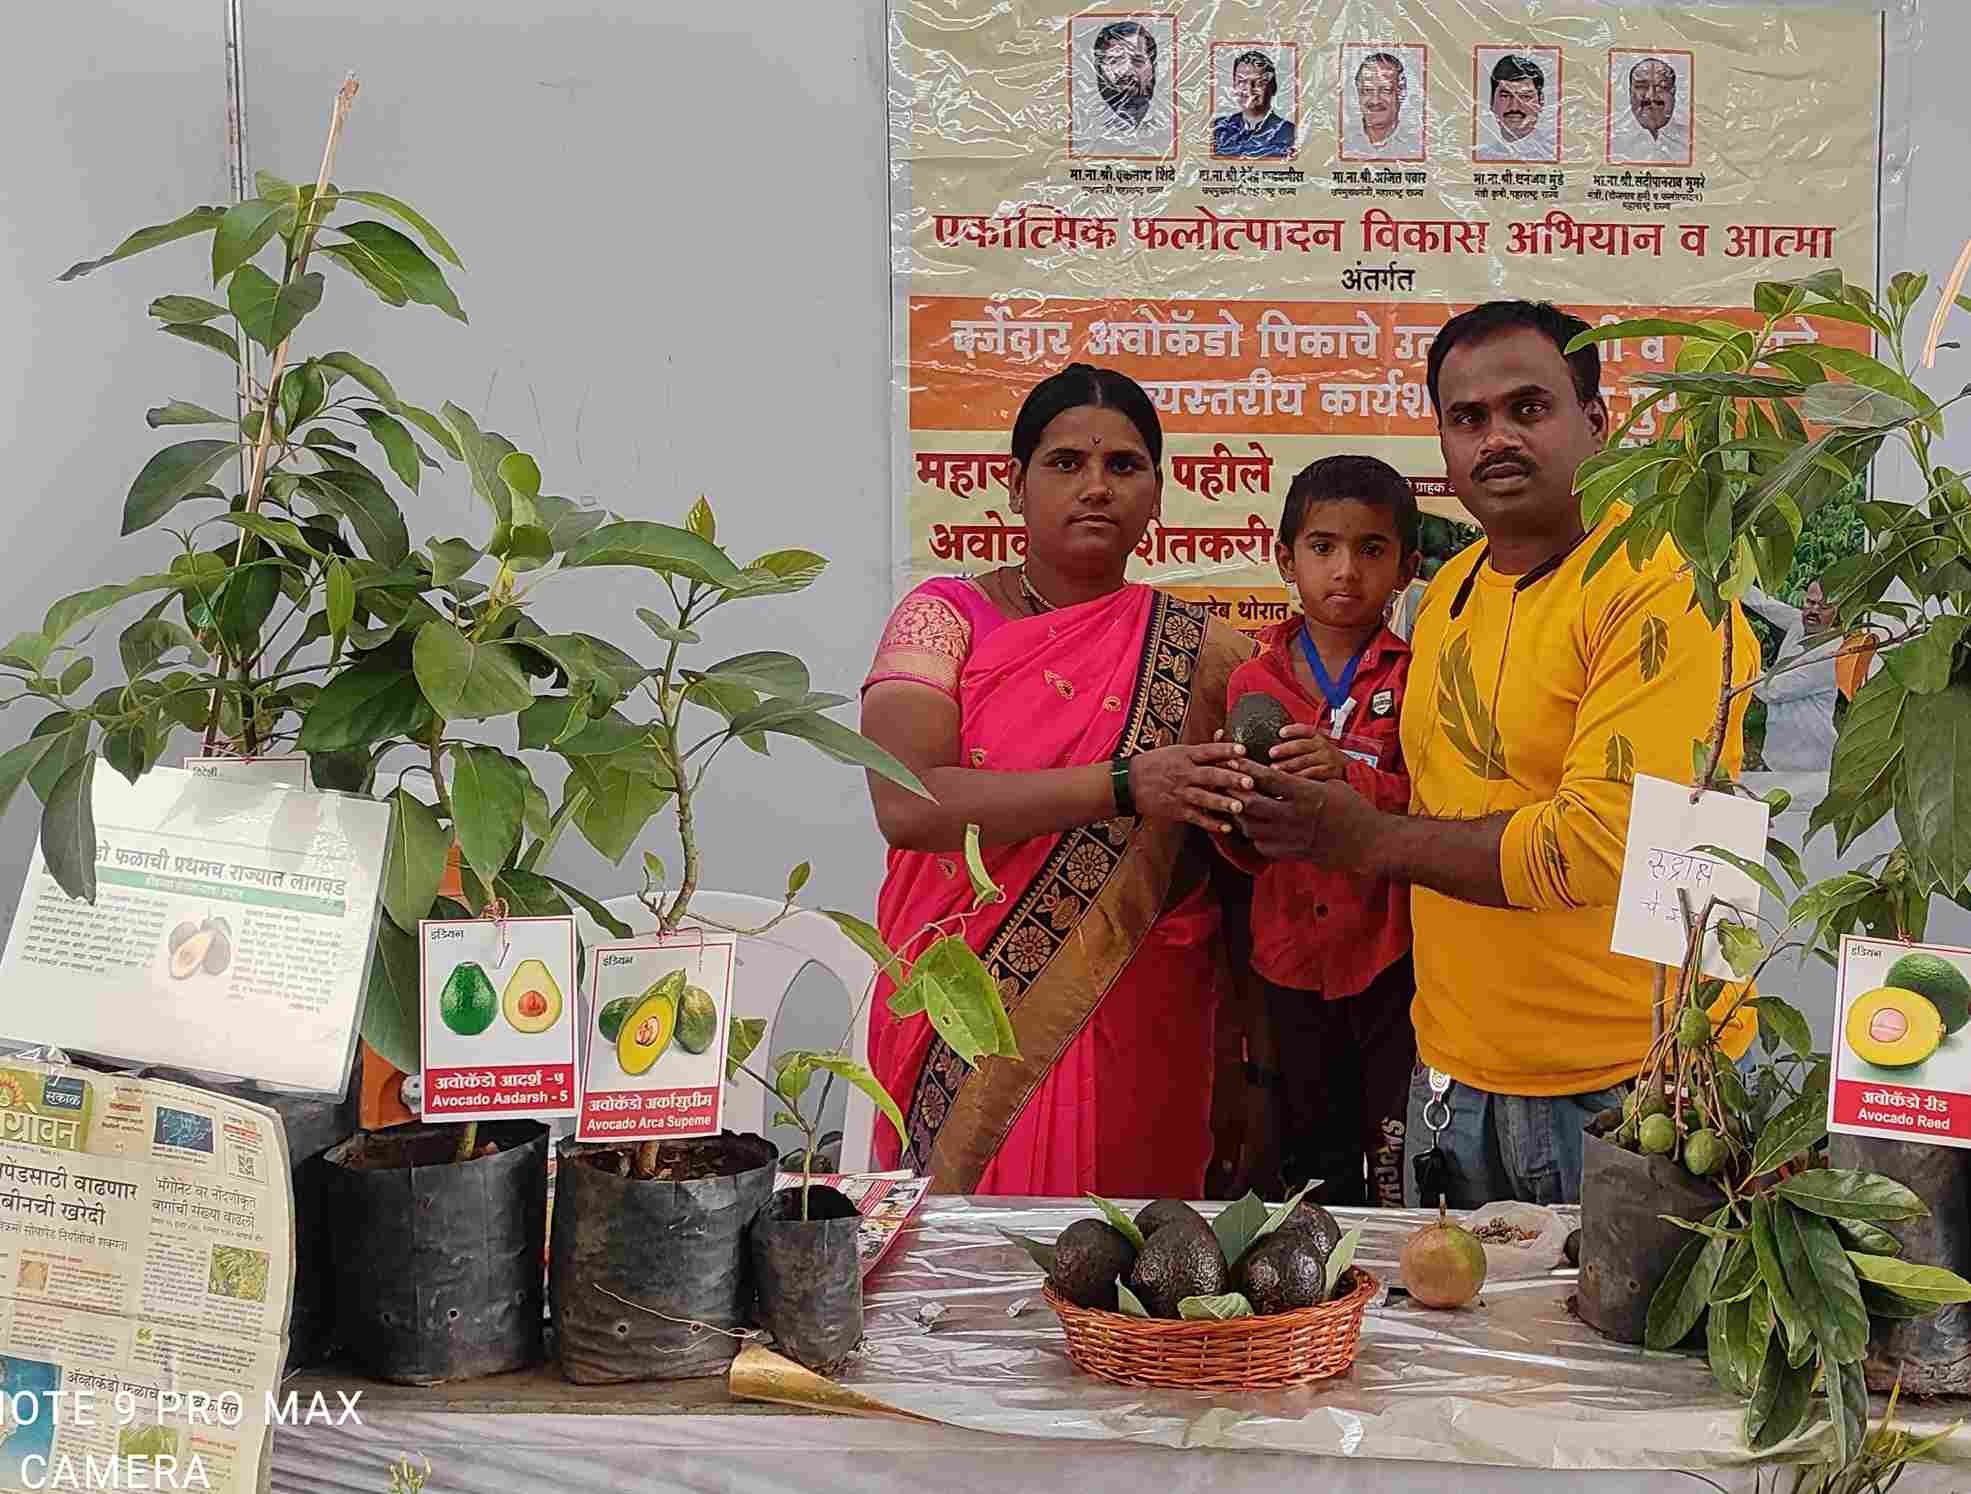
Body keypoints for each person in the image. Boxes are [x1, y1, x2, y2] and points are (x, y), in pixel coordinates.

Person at [1232, 301, 1758, 1209]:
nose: (1496, 438)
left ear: (1596, 421)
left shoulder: (1667, 591)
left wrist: (1358, 838)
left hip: (1627, 1089)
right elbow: (1436, 798)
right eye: (1466, 418)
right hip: (1450, 1074)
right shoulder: (1447, 599)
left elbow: (1601, 845)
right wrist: (1320, 789)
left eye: (1528, 407)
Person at [859, 364, 1256, 1198]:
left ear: (1156, 493)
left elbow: (1237, 843)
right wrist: (1123, 784)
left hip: (1141, 1002)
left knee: (1133, 1273)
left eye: (1123, 466)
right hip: (969, 995)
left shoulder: (1204, 651)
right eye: (1065, 463)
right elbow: (906, 802)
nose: (1096, 488)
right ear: (1014, 485)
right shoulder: (938, 620)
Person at [1215, 457, 1419, 1209]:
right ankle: (1318, 1304)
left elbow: (1431, 808)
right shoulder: (1251, 681)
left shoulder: (1417, 675)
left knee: (1394, 1151)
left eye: (1371, 550)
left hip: (1389, 954)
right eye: (1322, 547)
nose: (1345, 571)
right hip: (1287, 956)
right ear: (1284, 557)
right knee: (1309, 1158)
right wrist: (1236, 809)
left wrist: (1349, 776)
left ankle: (1397, 1293)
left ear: (1406, 566)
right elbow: (1237, 846)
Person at [1745, 577, 1842, 775]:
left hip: (1809, 763)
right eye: (1811, 602)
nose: (1814, 610)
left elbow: (1772, 690)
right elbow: (1765, 604)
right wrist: (1727, 583)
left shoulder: (1832, 653)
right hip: (1777, 755)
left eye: (1824, 606)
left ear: (1838, 611)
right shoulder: (1800, 623)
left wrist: (1741, 662)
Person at [1083, 19, 1170, 155]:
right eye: (1114, 61)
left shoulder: (1169, 124)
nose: (1126, 70)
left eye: (1138, 61)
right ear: (1099, 68)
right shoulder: (1084, 125)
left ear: (1153, 66)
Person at [1214, 49, 1295, 158]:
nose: (1248, 89)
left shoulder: (1290, 133)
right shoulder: (1217, 129)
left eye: (1259, 82)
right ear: (1234, 86)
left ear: (1273, 87)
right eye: (1241, 81)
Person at [1343, 50, 1422, 160]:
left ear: (1401, 92)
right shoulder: (1342, 142)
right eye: (1367, 90)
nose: (1375, 100)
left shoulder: (1418, 145)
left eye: (1385, 90)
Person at [1477, 53, 1555, 162]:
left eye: (1525, 96)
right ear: (1491, 101)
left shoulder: (1554, 153)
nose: (1514, 106)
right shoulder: (1481, 156)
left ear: (1541, 101)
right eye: (1505, 96)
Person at [1611, 55, 1690, 164]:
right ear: (1630, 92)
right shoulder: (1613, 139)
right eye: (1641, 87)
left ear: (1673, 92)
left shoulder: (1691, 139)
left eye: (1661, 87)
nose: (1651, 96)